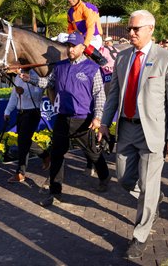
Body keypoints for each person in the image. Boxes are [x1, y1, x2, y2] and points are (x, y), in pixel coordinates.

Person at [98, 10, 168, 260]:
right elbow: (114, 93)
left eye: (136, 29)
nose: (131, 33)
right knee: (124, 178)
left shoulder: (167, 59)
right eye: (129, 29)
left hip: (153, 132)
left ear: (151, 29)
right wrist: (105, 122)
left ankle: (140, 236)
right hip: (127, 128)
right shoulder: (123, 57)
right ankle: (154, 197)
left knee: (148, 185)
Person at [21, 31, 111, 206]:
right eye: (68, 46)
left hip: (83, 120)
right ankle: (55, 192)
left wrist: (98, 118)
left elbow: (100, 95)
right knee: (57, 155)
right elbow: (48, 83)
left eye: (73, 46)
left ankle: (105, 176)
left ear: (82, 47)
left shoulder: (92, 68)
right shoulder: (60, 66)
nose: (70, 49)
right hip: (63, 118)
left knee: (93, 153)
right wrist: (30, 79)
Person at [5, 67, 51, 183]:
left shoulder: (37, 75)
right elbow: (13, 96)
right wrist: (7, 111)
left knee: (23, 141)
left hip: (32, 112)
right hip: (20, 113)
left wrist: (24, 91)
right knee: (24, 141)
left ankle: (20, 172)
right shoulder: (17, 77)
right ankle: (45, 155)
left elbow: (38, 95)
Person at [61, 0, 107, 66]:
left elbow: (90, 28)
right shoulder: (70, 12)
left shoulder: (88, 7)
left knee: (83, 48)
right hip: (79, 38)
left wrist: (84, 45)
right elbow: (70, 30)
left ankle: (101, 60)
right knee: (60, 37)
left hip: (93, 38)